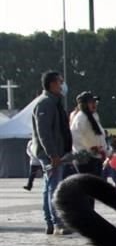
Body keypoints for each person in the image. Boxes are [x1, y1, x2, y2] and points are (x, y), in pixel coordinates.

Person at [31, 71, 73, 234]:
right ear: (52, 84)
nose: (62, 85)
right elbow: (44, 132)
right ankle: (57, 223)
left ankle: (50, 222)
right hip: (51, 154)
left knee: (49, 187)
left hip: (57, 152)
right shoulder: (45, 103)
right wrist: (52, 154)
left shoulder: (54, 102)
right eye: (60, 82)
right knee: (54, 188)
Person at [69, 91, 107, 179]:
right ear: (84, 104)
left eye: (95, 102)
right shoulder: (80, 118)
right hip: (86, 160)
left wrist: (105, 150)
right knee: (89, 185)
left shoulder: (94, 116)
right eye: (91, 102)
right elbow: (74, 137)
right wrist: (86, 152)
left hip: (96, 158)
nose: (94, 104)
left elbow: (100, 136)